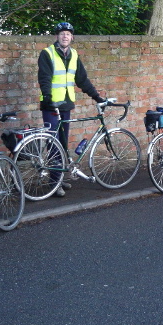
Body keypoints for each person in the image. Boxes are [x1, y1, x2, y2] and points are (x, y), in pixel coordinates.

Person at [38, 22, 106, 196]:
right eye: (62, 33)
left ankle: (59, 178)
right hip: (51, 106)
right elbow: (44, 78)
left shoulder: (74, 55)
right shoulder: (48, 53)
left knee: (62, 143)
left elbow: (82, 80)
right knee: (53, 143)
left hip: (66, 105)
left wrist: (97, 97)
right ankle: (54, 183)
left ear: (72, 37)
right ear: (57, 36)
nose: (65, 36)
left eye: (68, 33)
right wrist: (48, 98)